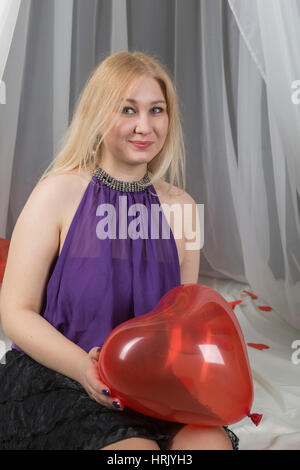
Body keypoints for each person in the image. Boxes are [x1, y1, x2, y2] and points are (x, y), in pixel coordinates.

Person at [0, 51, 239, 450]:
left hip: (151, 381)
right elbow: (14, 313)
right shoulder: (56, 193)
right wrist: (83, 367)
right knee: (135, 453)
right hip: (62, 376)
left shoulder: (182, 209)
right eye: (127, 109)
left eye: (156, 110)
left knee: (210, 446)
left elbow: (181, 323)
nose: (144, 126)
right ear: (98, 115)